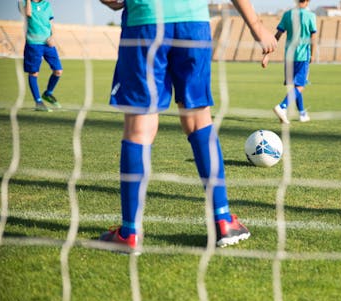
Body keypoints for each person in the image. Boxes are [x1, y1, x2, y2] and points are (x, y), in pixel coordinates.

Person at [99, 0, 277, 252]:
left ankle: (130, 233)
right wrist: (256, 26)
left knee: (140, 126)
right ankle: (223, 221)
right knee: (198, 118)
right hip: (192, 22)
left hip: (146, 21)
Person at [262, 0, 317, 124]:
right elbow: (313, 38)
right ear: (308, 1)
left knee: (296, 86)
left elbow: (277, 36)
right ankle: (282, 106)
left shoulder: (287, 15)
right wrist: (313, 55)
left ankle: (302, 113)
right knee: (300, 86)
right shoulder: (311, 16)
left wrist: (267, 55)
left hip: (289, 56)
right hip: (303, 56)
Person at [19, 0, 63, 111]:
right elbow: (28, 13)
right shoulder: (23, 2)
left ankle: (48, 94)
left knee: (58, 71)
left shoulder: (46, 4)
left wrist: (53, 37)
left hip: (48, 44)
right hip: (33, 44)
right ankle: (38, 102)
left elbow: (51, 23)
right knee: (34, 73)